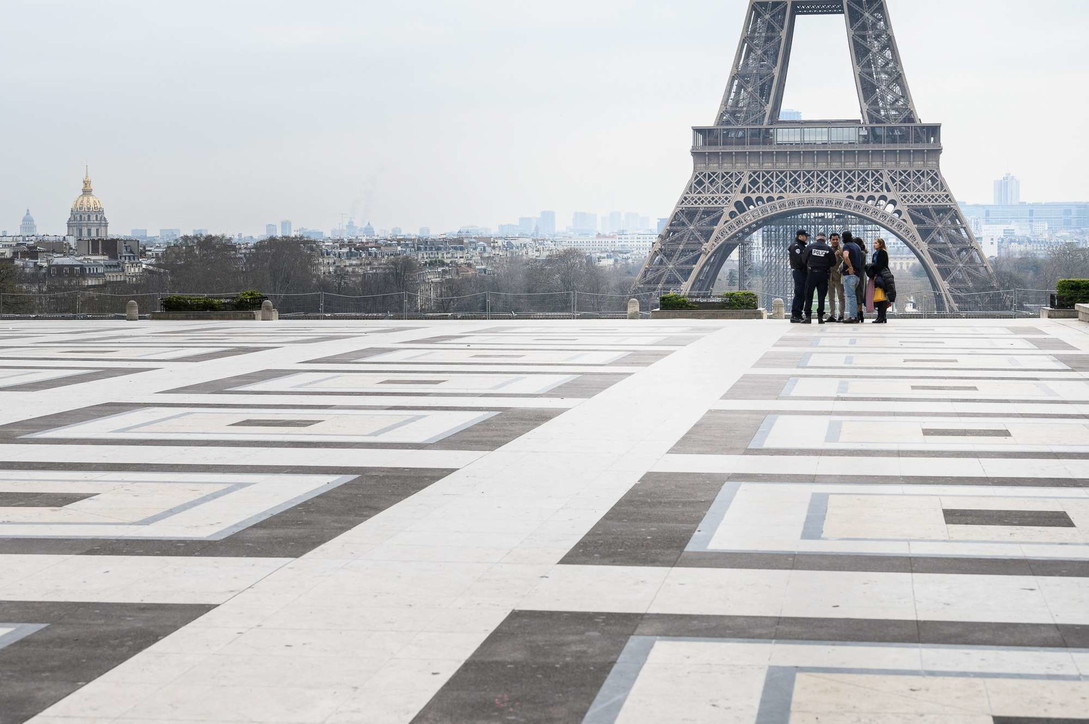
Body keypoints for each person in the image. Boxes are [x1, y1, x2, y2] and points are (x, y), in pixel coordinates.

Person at [801, 232, 835, 324]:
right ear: (825, 239)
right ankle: (820, 317)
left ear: (816, 238)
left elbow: (803, 260)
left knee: (808, 295)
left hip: (812, 273)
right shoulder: (828, 248)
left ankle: (808, 317)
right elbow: (833, 262)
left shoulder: (810, 247)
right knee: (821, 296)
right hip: (823, 274)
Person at [870, 238, 896, 323]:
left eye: (876, 243)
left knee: (881, 297)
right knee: (880, 297)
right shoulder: (876, 253)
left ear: (881, 244)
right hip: (879, 276)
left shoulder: (882, 252)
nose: (874, 244)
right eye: (874, 243)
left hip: (881, 276)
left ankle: (881, 317)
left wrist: (875, 274)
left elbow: (880, 265)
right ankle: (881, 316)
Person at [840, 233, 863, 323]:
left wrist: (850, 267)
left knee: (851, 296)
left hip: (849, 275)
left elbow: (846, 256)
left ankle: (853, 317)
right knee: (853, 296)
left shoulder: (846, 246)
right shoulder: (857, 246)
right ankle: (854, 315)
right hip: (857, 275)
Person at [788, 229, 810, 323]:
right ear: (800, 236)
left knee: (802, 293)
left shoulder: (801, 246)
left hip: (802, 272)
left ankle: (798, 313)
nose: (807, 238)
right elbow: (800, 261)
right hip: (800, 272)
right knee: (799, 293)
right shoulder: (796, 247)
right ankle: (795, 314)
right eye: (805, 236)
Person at [827, 233, 845, 322]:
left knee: (841, 296)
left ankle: (841, 315)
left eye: (836, 239)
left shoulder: (843, 250)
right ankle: (832, 315)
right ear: (830, 240)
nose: (835, 241)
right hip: (829, 277)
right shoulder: (827, 250)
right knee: (831, 297)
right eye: (833, 239)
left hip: (839, 277)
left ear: (839, 240)